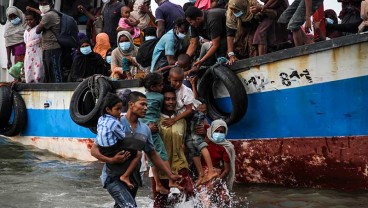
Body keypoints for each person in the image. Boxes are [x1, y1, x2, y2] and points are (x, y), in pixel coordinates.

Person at [91, 91, 181, 208]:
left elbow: (153, 154)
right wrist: (111, 160)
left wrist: (170, 175)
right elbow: (94, 150)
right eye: (142, 104)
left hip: (133, 180)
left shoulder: (145, 130)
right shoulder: (115, 123)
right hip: (113, 177)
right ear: (131, 104)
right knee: (130, 206)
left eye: (146, 105)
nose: (145, 108)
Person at [152, 85, 195, 207]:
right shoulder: (156, 120)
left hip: (179, 163)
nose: (171, 102)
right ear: (162, 101)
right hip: (161, 166)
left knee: (189, 192)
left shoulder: (181, 120)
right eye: (167, 99)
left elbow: (186, 141)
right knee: (160, 202)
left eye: (173, 99)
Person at [140, 73, 181, 194]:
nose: (163, 86)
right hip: (152, 129)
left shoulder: (144, 96)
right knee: (162, 154)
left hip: (143, 129)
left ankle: (158, 184)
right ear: (153, 87)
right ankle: (171, 180)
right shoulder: (159, 97)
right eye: (161, 85)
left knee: (152, 157)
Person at [96, 93, 143, 189]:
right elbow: (122, 137)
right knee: (138, 154)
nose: (120, 112)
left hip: (103, 149)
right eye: (117, 109)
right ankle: (125, 176)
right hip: (112, 151)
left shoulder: (101, 119)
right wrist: (111, 160)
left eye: (120, 109)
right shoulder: (115, 122)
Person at [197, 119, 235, 207]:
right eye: (216, 131)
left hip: (216, 175)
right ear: (211, 130)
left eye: (221, 132)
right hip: (202, 174)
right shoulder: (204, 140)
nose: (219, 134)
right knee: (204, 199)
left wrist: (216, 183)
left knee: (225, 199)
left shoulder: (225, 147)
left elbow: (227, 170)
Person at [36, 0, 62, 83]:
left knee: (54, 71)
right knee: (49, 72)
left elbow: (37, 30)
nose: (42, 6)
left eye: (44, 4)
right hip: (48, 47)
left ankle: (58, 89)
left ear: (51, 4)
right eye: (40, 4)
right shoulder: (51, 14)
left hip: (52, 46)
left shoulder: (49, 15)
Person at [23, 10, 43, 83]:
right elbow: (26, 45)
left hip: (38, 54)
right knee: (28, 73)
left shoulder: (39, 29)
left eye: (31, 19)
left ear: (36, 19)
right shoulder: (26, 32)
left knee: (38, 74)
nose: (29, 22)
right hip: (28, 56)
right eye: (27, 20)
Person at [4, 6, 27, 70]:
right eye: (11, 17)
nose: (13, 18)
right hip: (18, 55)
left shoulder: (26, 22)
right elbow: (8, 44)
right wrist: (8, 59)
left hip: (30, 53)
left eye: (14, 16)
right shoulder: (8, 28)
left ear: (18, 14)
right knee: (19, 71)